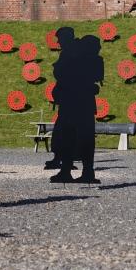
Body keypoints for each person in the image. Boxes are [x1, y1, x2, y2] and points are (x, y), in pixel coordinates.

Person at [50, 34, 104, 184]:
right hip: (82, 102)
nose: (99, 49)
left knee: (70, 138)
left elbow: (60, 74)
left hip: (71, 102)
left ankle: (69, 171)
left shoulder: (72, 57)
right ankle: (85, 171)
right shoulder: (86, 59)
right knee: (82, 139)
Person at [45, 27, 77, 171]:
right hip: (67, 97)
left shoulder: (71, 53)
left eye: (60, 39)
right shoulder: (69, 52)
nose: (58, 42)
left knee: (64, 131)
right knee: (62, 130)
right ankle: (60, 158)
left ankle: (65, 160)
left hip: (70, 98)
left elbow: (66, 73)